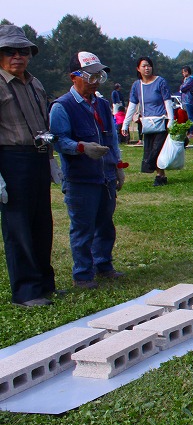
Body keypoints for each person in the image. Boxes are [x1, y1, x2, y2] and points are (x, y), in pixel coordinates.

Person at [50, 51, 126, 290]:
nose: (95, 81)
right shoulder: (62, 107)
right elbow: (58, 140)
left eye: (98, 76)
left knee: (105, 224)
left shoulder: (103, 105)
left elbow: (112, 139)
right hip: (80, 178)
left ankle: (104, 265)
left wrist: (117, 166)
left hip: (105, 176)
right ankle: (82, 274)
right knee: (83, 228)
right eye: (90, 76)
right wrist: (81, 147)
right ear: (74, 77)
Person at [0, 24, 58, 306]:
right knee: (18, 226)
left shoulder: (34, 83)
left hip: (37, 156)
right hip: (11, 159)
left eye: (23, 51)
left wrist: (50, 161)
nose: (17, 57)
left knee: (41, 223)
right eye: (10, 51)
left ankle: (44, 283)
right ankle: (25, 291)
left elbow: (43, 123)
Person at [122, 56, 174, 186]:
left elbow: (167, 101)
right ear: (138, 69)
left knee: (157, 149)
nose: (147, 68)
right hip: (147, 123)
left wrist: (171, 119)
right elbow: (132, 105)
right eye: (144, 66)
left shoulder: (160, 82)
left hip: (161, 121)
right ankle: (160, 175)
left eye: (149, 65)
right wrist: (125, 123)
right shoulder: (136, 85)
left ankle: (157, 173)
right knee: (151, 149)